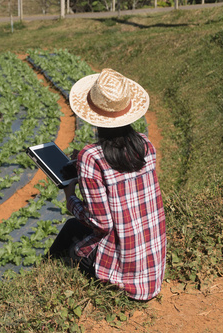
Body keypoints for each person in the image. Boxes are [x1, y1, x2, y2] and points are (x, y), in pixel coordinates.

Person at [48, 68, 167, 301]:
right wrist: (84, 169)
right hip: (152, 269)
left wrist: (70, 196)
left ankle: (47, 275)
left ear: (93, 114)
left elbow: (101, 223)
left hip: (124, 274)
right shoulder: (145, 144)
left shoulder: (91, 157)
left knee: (71, 239)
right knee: (74, 228)